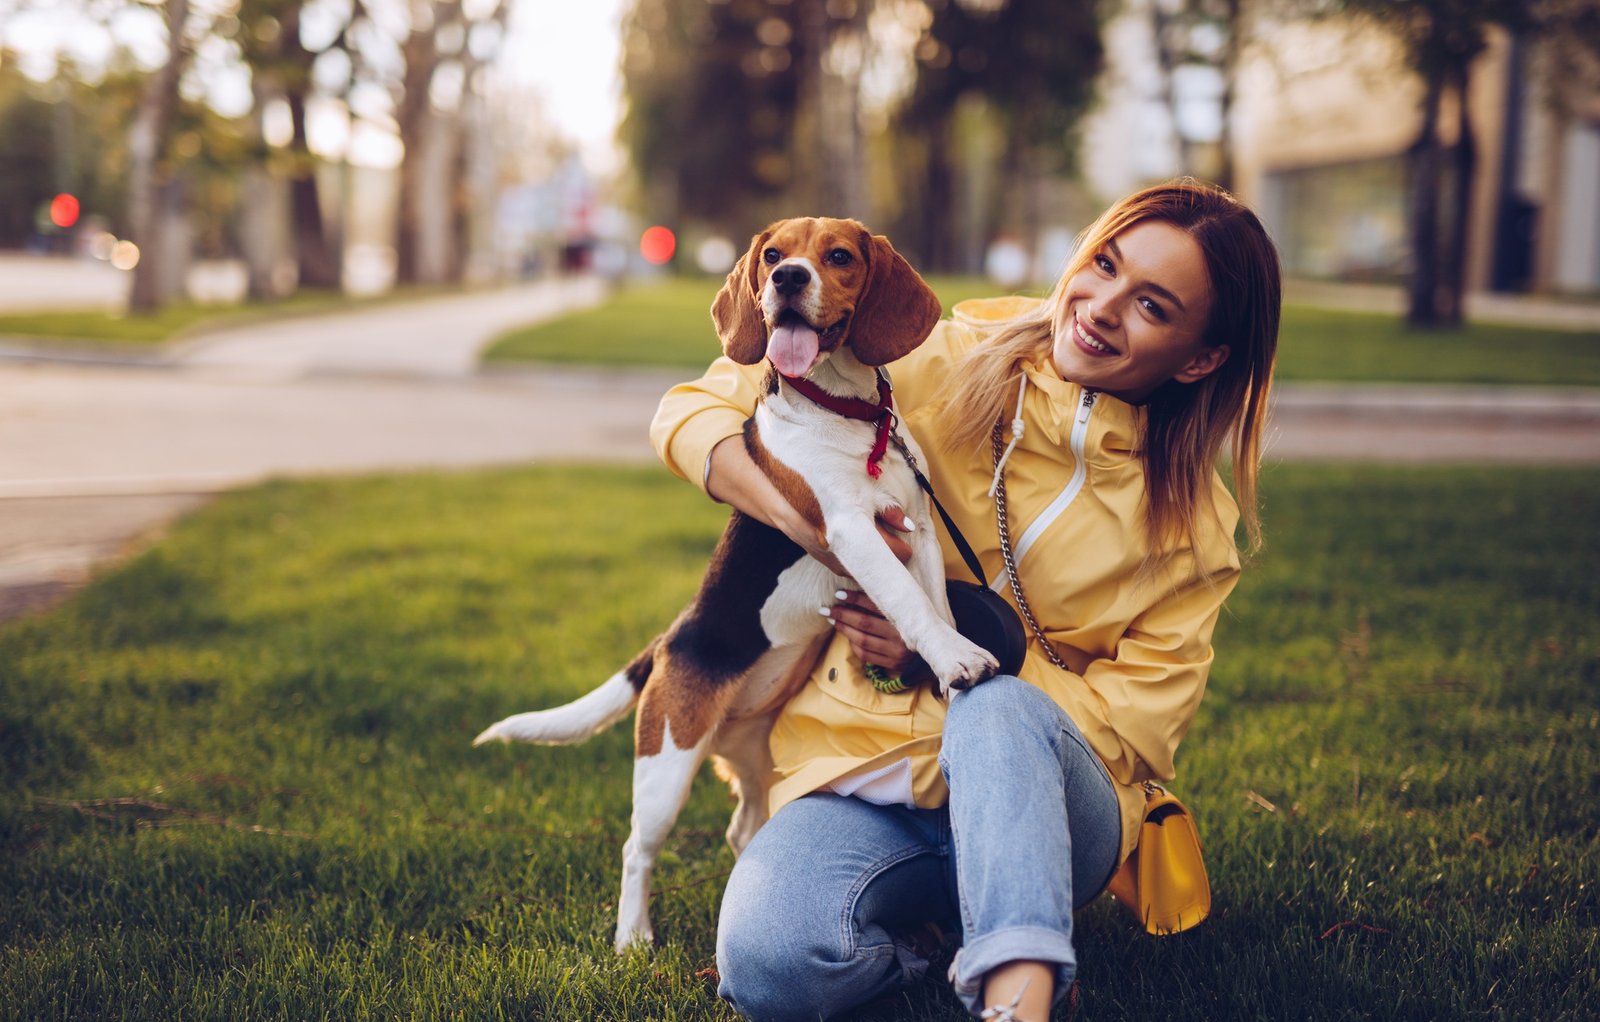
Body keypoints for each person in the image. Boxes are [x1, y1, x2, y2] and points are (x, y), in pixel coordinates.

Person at [649, 179, 1281, 1021]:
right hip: (863, 775)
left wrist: (973, 651)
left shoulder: (1196, 526)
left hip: (1057, 809)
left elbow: (1140, 731)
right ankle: (941, 951)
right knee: (770, 966)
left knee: (993, 707)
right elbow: (697, 407)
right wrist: (807, 521)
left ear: (1201, 357)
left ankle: (1020, 996)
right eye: (1104, 264)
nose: (1100, 307)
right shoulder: (942, 355)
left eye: (1153, 306)